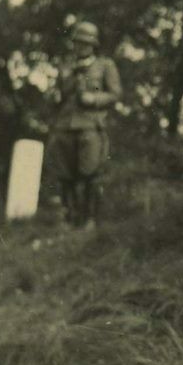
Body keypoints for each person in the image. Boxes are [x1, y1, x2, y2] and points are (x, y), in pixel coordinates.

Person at [51, 21, 121, 228]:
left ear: (93, 45)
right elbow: (58, 94)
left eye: (85, 43)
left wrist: (94, 99)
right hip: (64, 125)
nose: (81, 47)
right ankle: (69, 217)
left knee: (90, 172)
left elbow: (115, 94)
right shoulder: (65, 66)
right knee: (64, 173)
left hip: (90, 125)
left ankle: (89, 219)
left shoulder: (105, 66)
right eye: (77, 43)